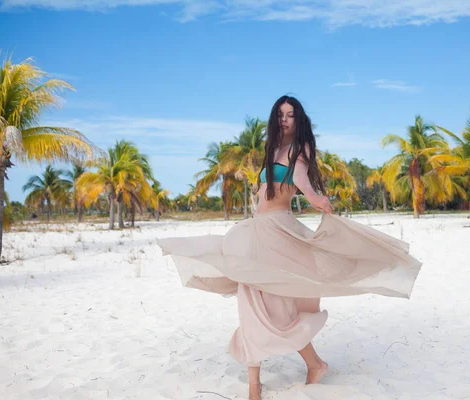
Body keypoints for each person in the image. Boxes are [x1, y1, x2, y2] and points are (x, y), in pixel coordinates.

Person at [158, 95, 422, 400]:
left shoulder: (301, 148)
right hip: (257, 230)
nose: (285, 120)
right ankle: (255, 386)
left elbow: (300, 175)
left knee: (277, 308)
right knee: (249, 301)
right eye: (281, 115)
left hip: (279, 231)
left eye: (291, 115)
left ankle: (314, 363)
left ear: (299, 119)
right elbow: (262, 195)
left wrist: (311, 195)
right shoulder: (272, 151)